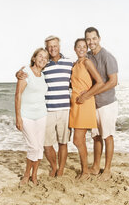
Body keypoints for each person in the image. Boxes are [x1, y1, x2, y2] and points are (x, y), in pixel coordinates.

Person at [16, 36, 73, 177]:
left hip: (65, 109)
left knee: (63, 142)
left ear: (59, 46)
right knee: (46, 144)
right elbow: (29, 76)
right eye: (50, 46)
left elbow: (76, 80)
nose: (53, 48)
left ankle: (60, 170)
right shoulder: (44, 66)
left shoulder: (69, 63)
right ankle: (54, 167)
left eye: (55, 45)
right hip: (47, 110)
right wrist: (17, 74)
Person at [85, 27, 118, 181]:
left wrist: (93, 93)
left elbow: (113, 81)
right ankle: (96, 166)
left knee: (108, 136)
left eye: (93, 38)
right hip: (94, 105)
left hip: (107, 104)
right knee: (96, 136)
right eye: (88, 39)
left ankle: (108, 169)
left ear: (99, 38)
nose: (91, 42)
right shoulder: (88, 57)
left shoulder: (107, 57)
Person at [69, 38, 104, 180]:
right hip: (75, 104)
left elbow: (100, 82)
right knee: (79, 139)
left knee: (77, 140)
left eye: (84, 46)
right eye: (79, 47)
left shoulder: (87, 62)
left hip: (85, 103)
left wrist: (86, 95)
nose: (82, 49)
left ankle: (85, 172)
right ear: (74, 49)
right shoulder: (74, 64)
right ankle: (85, 170)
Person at [15, 48, 49, 185]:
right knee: (33, 146)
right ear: (34, 58)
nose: (42, 59)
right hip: (26, 115)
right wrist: (18, 116)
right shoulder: (25, 73)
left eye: (45, 58)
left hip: (41, 115)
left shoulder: (43, 76)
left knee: (39, 147)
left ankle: (34, 175)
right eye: (40, 56)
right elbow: (18, 95)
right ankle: (26, 174)